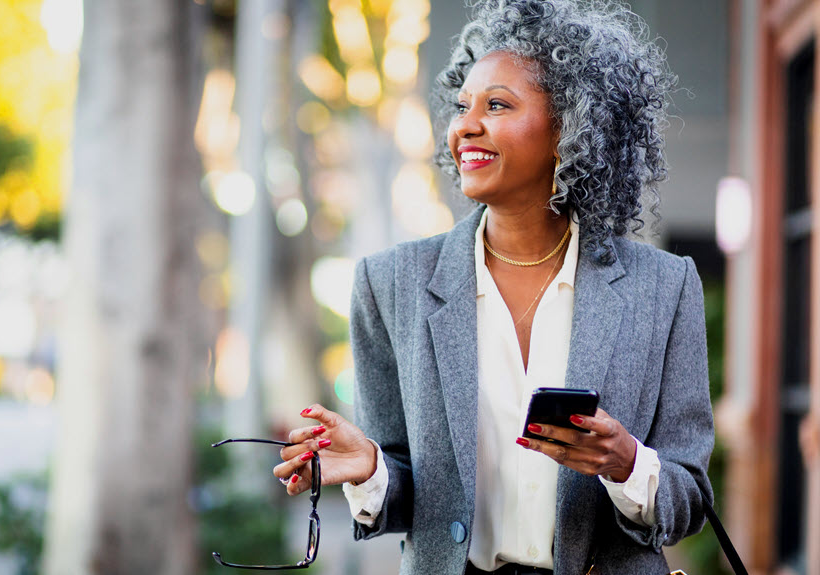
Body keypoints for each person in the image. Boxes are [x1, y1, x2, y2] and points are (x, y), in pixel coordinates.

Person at [274, 1, 714, 573]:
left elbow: (691, 500)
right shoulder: (390, 284)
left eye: (498, 105)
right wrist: (371, 469)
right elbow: (411, 497)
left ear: (571, 129)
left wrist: (626, 462)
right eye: (462, 107)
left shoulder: (664, 287)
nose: (465, 126)